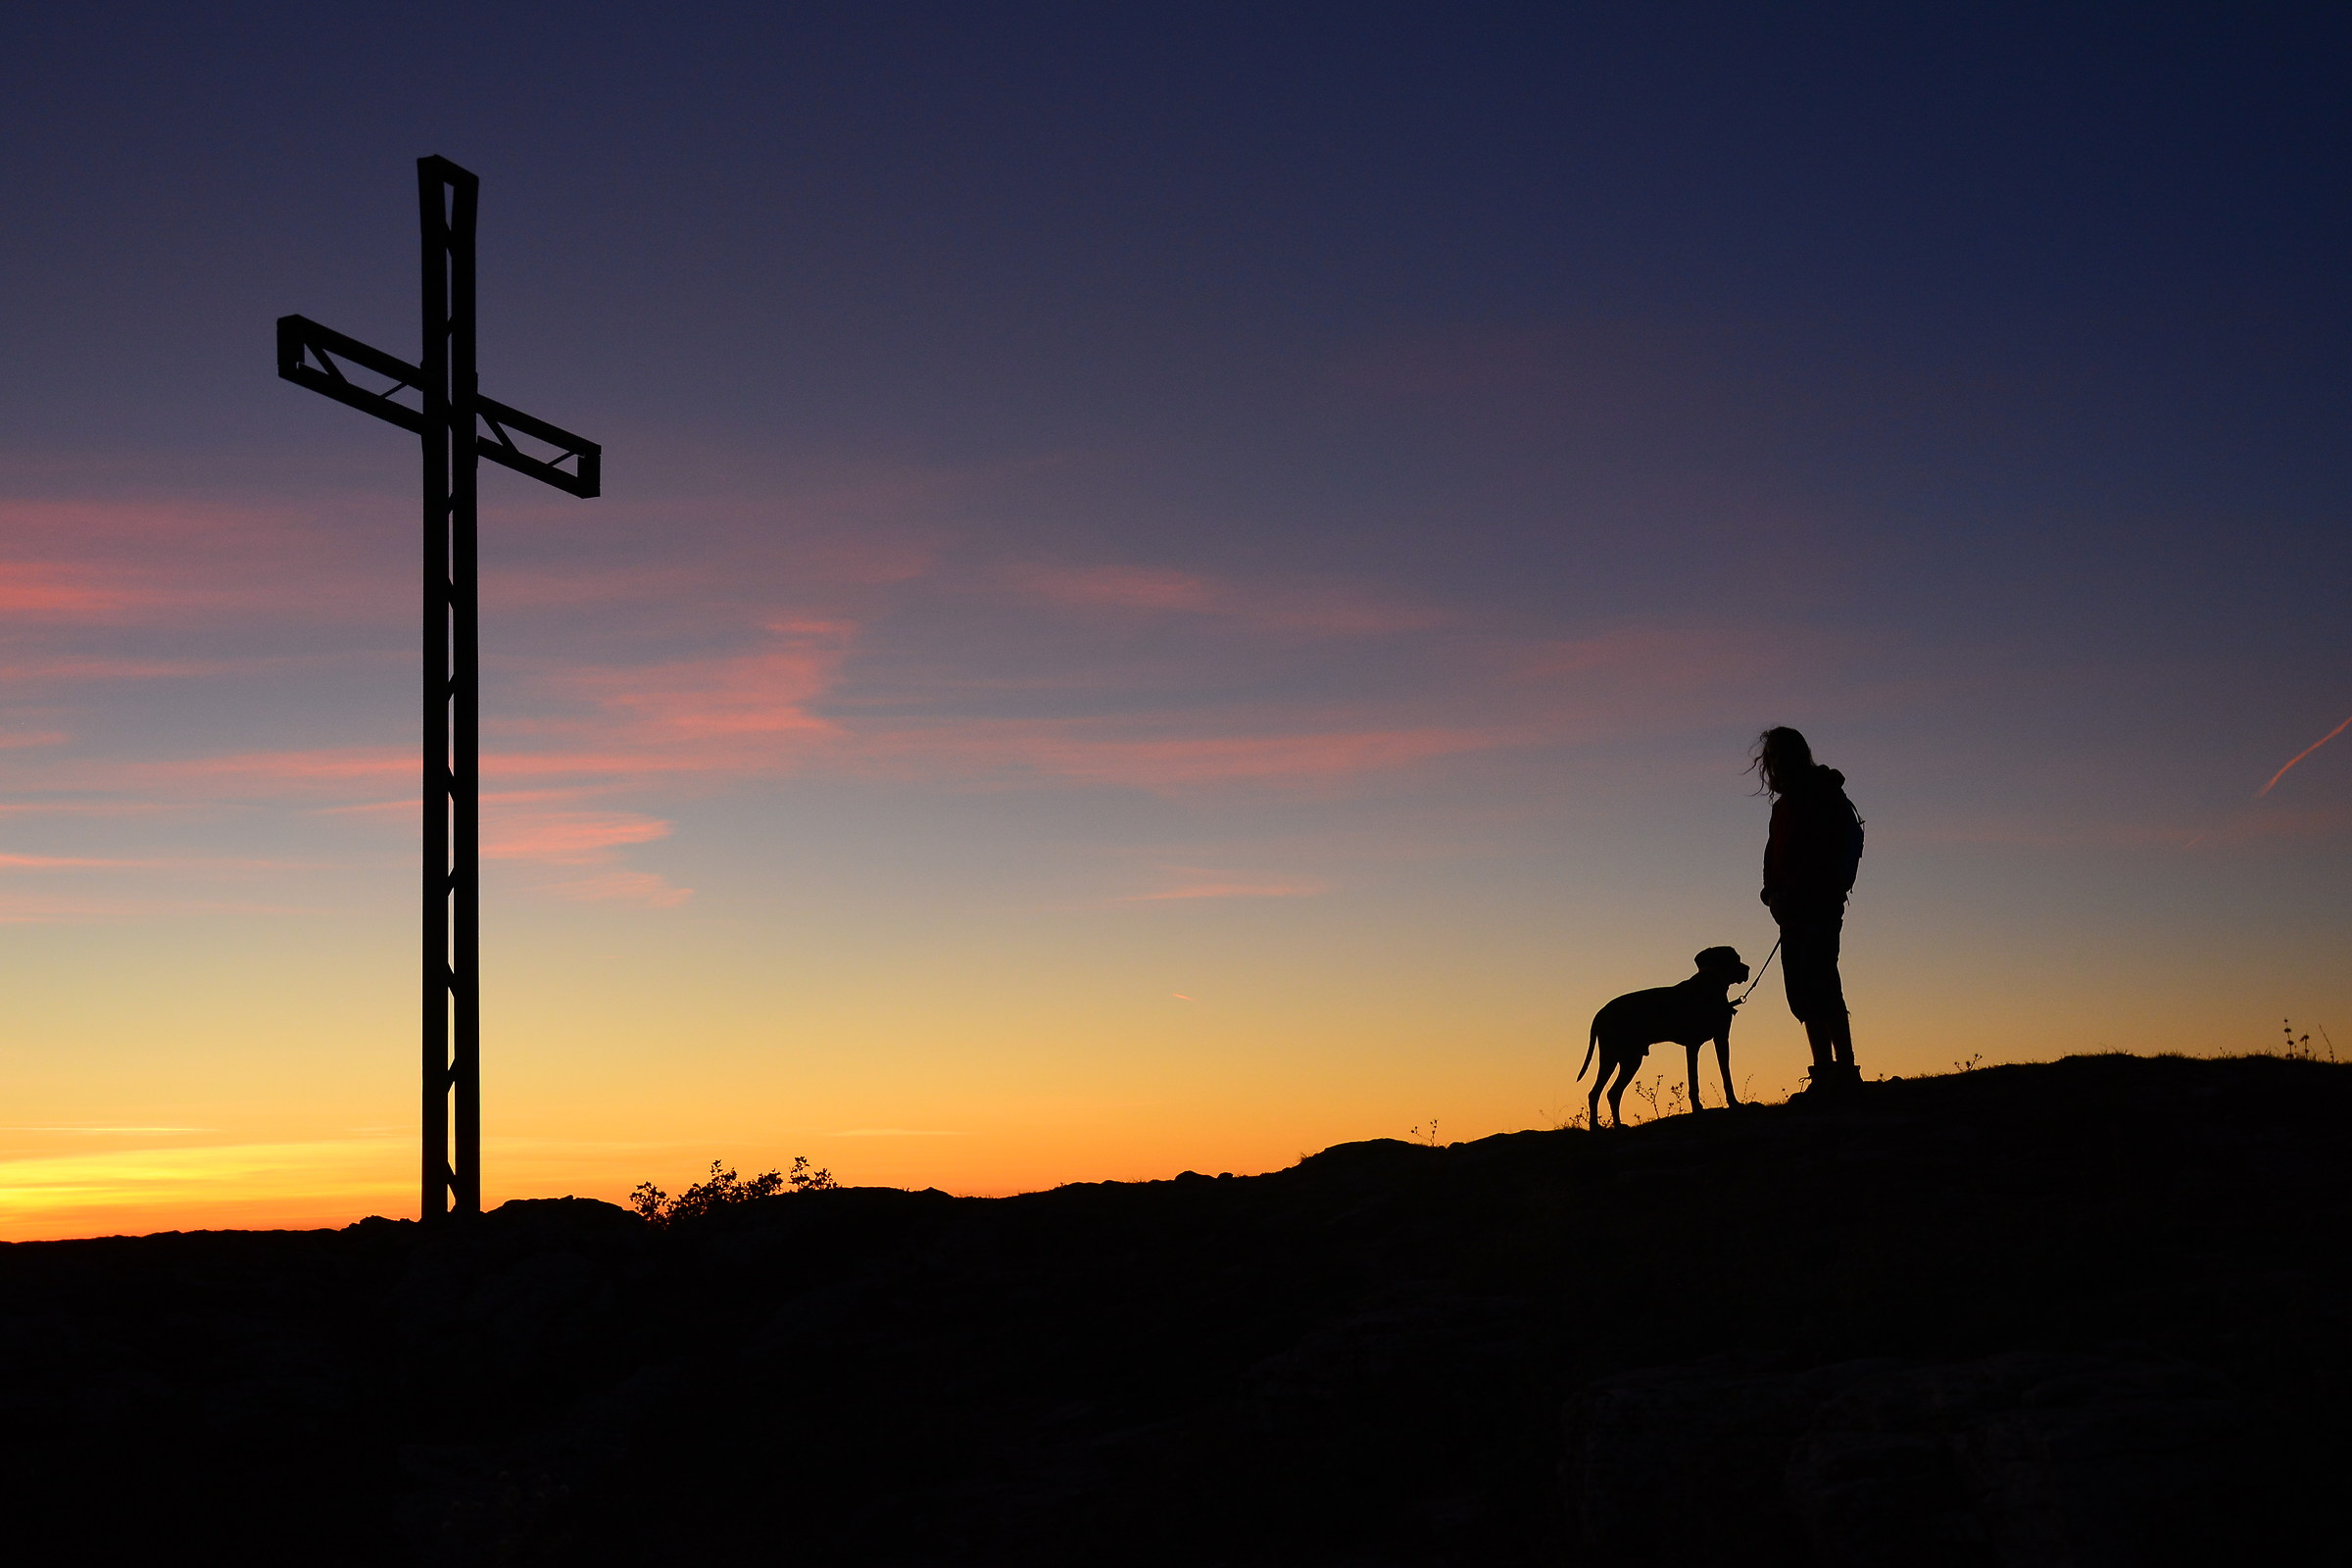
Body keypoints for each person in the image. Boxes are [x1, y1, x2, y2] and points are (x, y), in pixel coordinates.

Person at [1753, 726, 1864, 1096]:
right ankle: (1824, 1072)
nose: (1772, 768)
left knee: (1821, 982)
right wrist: (1772, 896)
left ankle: (1844, 1071)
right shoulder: (1784, 807)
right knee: (1802, 988)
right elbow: (1772, 858)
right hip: (1792, 908)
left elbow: (1821, 853)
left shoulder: (1821, 795)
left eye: (1775, 758)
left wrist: (1790, 893)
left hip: (1818, 903)